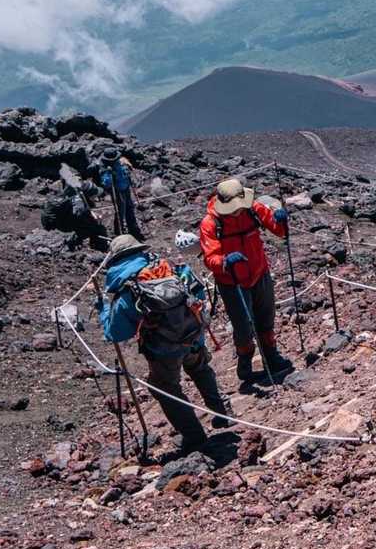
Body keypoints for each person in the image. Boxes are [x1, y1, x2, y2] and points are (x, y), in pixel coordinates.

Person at [99, 234, 231, 454]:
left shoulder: (128, 290)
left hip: (164, 350)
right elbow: (197, 292)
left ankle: (194, 437)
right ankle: (222, 412)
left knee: (163, 387)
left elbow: (116, 333)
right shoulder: (168, 268)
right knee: (199, 368)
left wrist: (104, 309)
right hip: (192, 333)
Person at [199, 177, 292, 383]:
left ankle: (271, 357)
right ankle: (245, 367)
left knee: (266, 318)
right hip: (232, 282)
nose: (238, 210)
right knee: (243, 328)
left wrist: (281, 220)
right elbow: (210, 258)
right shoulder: (210, 223)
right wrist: (224, 261)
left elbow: (280, 231)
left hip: (259, 273)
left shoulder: (253, 209)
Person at [99, 152, 142, 239]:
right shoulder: (105, 168)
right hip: (118, 191)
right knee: (120, 211)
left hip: (126, 188)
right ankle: (119, 230)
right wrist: (110, 174)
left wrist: (127, 170)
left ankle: (133, 228)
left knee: (129, 208)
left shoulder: (121, 162)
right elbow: (106, 183)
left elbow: (125, 171)